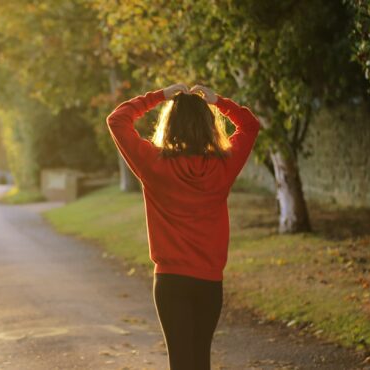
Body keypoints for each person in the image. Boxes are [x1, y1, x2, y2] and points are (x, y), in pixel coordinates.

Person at [106, 83, 261, 370]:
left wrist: (159, 96)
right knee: (200, 360)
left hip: (170, 282)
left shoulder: (154, 164)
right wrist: (218, 101)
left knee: (180, 362)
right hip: (209, 282)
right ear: (208, 126)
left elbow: (117, 119)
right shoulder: (223, 166)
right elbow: (250, 126)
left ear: (170, 124)